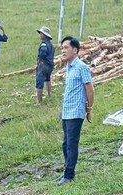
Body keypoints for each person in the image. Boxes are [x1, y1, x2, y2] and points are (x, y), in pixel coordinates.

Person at [58, 36, 94, 185]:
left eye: (66, 48)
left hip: (76, 111)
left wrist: (89, 109)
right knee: (65, 143)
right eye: (62, 48)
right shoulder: (69, 67)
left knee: (72, 143)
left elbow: (90, 90)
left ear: (75, 50)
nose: (63, 51)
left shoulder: (81, 67)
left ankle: (69, 175)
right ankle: (66, 172)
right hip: (66, 112)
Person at [36, 27, 55, 105]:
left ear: (44, 35)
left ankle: (39, 102)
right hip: (50, 65)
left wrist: (40, 60)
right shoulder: (51, 45)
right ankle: (49, 94)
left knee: (39, 83)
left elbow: (42, 53)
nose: (40, 35)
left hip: (43, 65)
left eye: (41, 33)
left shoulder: (43, 44)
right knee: (47, 79)